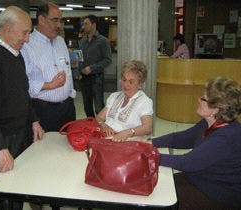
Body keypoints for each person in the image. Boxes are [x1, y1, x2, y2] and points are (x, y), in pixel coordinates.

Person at [0, 6, 44, 210]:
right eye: (24, 33)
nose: (27, 39)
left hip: (20, 133)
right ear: (7, 28)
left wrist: (33, 120)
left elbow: (23, 93)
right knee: (6, 197)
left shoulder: (16, 54)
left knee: (19, 190)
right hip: (2, 138)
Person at [151, 77, 241, 209]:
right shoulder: (210, 122)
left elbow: (187, 162)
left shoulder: (226, 136)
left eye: (203, 98)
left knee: (160, 200)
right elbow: (181, 138)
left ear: (216, 108)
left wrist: (147, 155)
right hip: (199, 178)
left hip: (217, 194)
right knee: (157, 184)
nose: (199, 99)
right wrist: (149, 143)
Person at [21, 2, 76, 132]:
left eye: (60, 21)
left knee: (67, 149)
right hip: (43, 111)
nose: (59, 25)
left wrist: (71, 94)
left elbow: (67, 71)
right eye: (54, 20)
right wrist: (49, 85)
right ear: (41, 19)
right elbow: (22, 83)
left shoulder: (61, 42)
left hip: (67, 109)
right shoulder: (27, 45)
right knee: (46, 150)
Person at [96, 60, 153, 142]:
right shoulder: (114, 96)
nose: (126, 85)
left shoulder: (144, 101)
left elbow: (147, 128)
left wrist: (127, 133)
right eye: (124, 80)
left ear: (140, 84)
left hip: (127, 143)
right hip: (105, 139)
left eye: (131, 82)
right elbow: (99, 117)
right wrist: (104, 125)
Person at [78, 15, 112, 117]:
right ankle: (91, 129)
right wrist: (78, 71)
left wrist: (91, 68)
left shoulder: (103, 41)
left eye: (86, 24)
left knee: (99, 108)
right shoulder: (82, 41)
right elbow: (80, 59)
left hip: (97, 79)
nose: (84, 26)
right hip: (84, 79)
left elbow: (107, 60)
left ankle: (101, 130)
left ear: (93, 25)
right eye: (83, 24)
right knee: (87, 107)